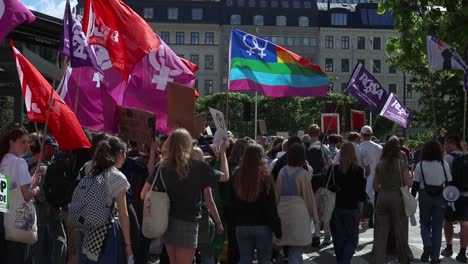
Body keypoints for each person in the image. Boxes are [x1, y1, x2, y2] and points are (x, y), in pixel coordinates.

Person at [143, 129, 229, 264]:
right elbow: (225, 177)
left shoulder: (162, 166)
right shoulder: (199, 166)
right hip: (189, 223)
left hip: (167, 222)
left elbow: (144, 194)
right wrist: (223, 153)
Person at [78, 136, 133, 263]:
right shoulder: (117, 176)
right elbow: (123, 214)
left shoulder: (90, 169)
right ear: (120, 153)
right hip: (107, 233)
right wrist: (128, 245)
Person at [229, 144, 282, 264]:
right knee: (264, 259)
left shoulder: (237, 175)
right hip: (262, 225)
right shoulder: (265, 176)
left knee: (244, 258)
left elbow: (232, 201)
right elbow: (271, 207)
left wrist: (233, 223)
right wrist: (278, 230)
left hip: (242, 224)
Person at [0, 127, 41, 263]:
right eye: (23, 142)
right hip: (17, 222)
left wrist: (31, 182)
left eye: (28, 142)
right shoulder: (19, 162)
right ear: (12, 142)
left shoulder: (4, 160)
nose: (27, 146)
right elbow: (26, 195)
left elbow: (7, 192)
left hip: (4, 219)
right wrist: (36, 189)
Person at [372, 136, 413, 264]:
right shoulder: (401, 162)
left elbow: (375, 186)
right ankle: (403, 258)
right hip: (397, 196)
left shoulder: (380, 163)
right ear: (398, 147)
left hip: (382, 196)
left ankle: (377, 260)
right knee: (400, 229)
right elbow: (409, 183)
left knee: (380, 231)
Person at [276, 143, 319, 264]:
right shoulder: (303, 174)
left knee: (289, 246)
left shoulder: (282, 172)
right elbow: (309, 197)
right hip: (299, 213)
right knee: (296, 248)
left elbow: (277, 194)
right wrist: (315, 217)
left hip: (283, 211)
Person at [27, 136, 67, 264]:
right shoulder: (43, 169)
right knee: (57, 241)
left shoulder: (25, 163)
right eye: (52, 148)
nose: (54, 152)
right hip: (45, 214)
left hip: (28, 215)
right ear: (45, 148)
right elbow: (46, 197)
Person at [411, 141, 452, 264]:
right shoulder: (443, 164)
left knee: (424, 223)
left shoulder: (420, 165)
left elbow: (415, 185)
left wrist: (412, 200)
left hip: (425, 196)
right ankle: (435, 258)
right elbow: (449, 182)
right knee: (437, 227)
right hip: (440, 197)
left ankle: (427, 245)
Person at [329, 142, 366, 264]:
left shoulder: (333, 169)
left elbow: (326, 186)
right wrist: (361, 208)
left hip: (335, 207)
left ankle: (341, 260)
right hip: (352, 207)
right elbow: (361, 193)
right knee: (352, 238)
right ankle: (345, 260)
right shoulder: (358, 170)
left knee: (338, 237)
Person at [441, 135, 468, 262]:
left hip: (451, 195)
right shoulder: (466, 156)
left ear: (452, 144)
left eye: (446, 144)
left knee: (448, 221)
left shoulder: (448, 157)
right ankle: (462, 253)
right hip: (466, 194)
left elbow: (444, 177)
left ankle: (449, 248)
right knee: (465, 224)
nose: (445, 146)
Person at [305, 124, 332, 247]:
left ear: (309, 133)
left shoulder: (304, 147)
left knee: (311, 209)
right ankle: (327, 235)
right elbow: (330, 164)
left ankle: (314, 234)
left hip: (309, 182)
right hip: (322, 182)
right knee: (324, 208)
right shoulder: (323, 147)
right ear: (319, 133)